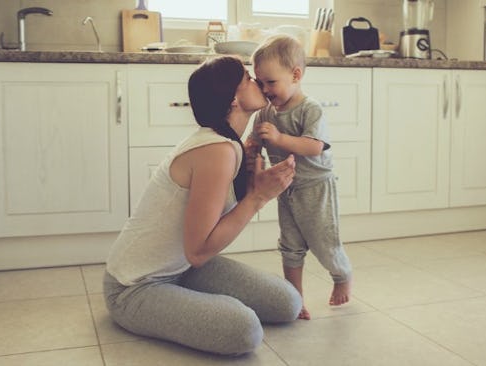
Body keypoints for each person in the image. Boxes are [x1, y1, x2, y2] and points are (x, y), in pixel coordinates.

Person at [103, 56, 302, 356]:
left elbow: (197, 252)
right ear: (234, 99)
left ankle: (189, 300)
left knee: (287, 302)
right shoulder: (216, 150)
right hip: (134, 286)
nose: (257, 81)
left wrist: (250, 186)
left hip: (182, 267)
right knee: (245, 331)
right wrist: (257, 197)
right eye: (248, 78)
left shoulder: (227, 144)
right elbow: (199, 251)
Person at [248, 34, 352, 320]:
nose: (265, 90)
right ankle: (296, 299)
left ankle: (342, 275)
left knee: (324, 242)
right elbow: (253, 143)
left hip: (317, 188)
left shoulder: (310, 109)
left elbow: (314, 146)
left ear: (295, 75)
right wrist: (249, 150)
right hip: (287, 190)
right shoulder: (264, 114)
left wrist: (280, 138)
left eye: (271, 82)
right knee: (290, 246)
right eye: (260, 83)